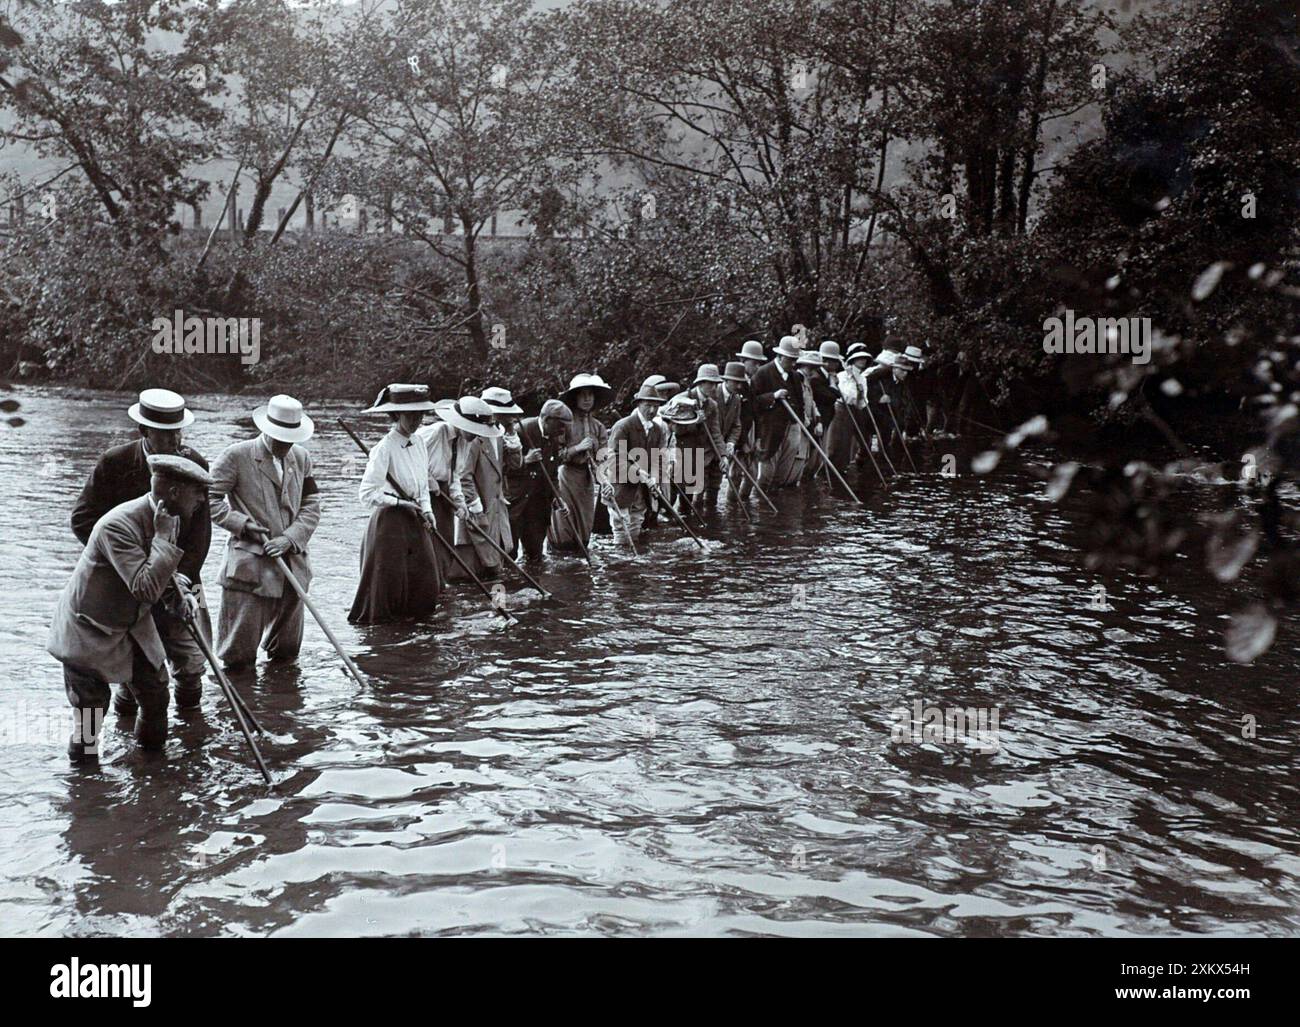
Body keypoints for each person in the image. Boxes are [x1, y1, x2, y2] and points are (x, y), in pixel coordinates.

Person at [49, 454, 212, 761]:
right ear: (175, 493)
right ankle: (86, 792)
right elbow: (144, 586)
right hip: (88, 629)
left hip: (130, 624)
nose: (203, 500)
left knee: (155, 694)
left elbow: (160, 576)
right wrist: (164, 540)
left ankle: (152, 772)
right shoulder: (118, 526)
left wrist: (180, 598)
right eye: (198, 492)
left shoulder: (167, 517)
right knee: (90, 716)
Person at [70, 388, 211, 712]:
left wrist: (183, 579)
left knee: (193, 660)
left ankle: (192, 735)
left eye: (178, 431)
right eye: (165, 434)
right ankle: (135, 745)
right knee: (137, 670)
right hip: (128, 584)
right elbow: (82, 520)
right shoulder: (114, 462)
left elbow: (201, 535)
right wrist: (123, 559)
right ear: (144, 432)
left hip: (183, 580)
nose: (174, 440)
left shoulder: (194, 464)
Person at [208, 395, 321, 669]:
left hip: (293, 565)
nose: (285, 444)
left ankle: (280, 708)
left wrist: (290, 538)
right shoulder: (236, 456)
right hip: (250, 568)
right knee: (238, 658)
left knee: (286, 656)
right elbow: (206, 500)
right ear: (266, 430)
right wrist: (241, 525)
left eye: (291, 438)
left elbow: (312, 504)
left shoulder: (301, 458)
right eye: (280, 438)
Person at [348, 384, 442, 625]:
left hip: (415, 517)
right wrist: (400, 502)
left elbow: (422, 484)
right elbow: (367, 493)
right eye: (410, 415)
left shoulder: (419, 442)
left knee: (427, 582)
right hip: (389, 523)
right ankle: (386, 638)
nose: (416, 421)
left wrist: (427, 510)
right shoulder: (384, 448)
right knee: (388, 586)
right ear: (396, 415)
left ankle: (416, 631)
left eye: (420, 415)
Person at [454, 394, 519, 579]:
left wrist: (512, 433)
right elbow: (464, 476)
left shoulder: (499, 436)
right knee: (477, 559)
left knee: (497, 556)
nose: (510, 417)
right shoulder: (473, 438)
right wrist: (476, 508)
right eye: (505, 414)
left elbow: (514, 465)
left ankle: (496, 597)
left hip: (497, 507)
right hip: (479, 508)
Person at [600, 380, 668, 548]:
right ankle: (620, 568)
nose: (652, 410)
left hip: (642, 492)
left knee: (635, 528)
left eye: (656, 406)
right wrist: (637, 473)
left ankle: (630, 569)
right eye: (648, 405)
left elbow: (658, 459)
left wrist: (654, 478)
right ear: (638, 404)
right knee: (621, 533)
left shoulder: (657, 430)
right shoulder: (623, 426)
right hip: (621, 489)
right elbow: (614, 459)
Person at [416, 398, 473, 581]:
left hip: (444, 494)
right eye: (473, 429)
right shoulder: (434, 432)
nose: (476, 435)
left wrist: (459, 501)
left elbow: (455, 474)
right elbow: (410, 459)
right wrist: (428, 479)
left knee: (445, 543)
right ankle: (428, 584)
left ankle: (441, 584)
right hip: (423, 494)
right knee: (428, 543)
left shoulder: (465, 441)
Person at [552, 373, 611, 551]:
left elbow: (603, 458)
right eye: (582, 394)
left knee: (585, 530)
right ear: (574, 397)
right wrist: (577, 448)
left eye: (590, 395)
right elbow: (556, 454)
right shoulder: (565, 424)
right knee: (564, 526)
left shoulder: (598, 427)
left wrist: (605, 480)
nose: (587, 399)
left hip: (586, 480)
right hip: (566, 477)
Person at [510, 399, 573, 560]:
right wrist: (526, 460)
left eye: (564, 427)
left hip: (538, 506)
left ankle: (534, 583)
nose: (562, 431)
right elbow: (501, 470)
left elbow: (552, 474)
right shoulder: (520, 432)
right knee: (509, 554)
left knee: (535, 555)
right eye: (560, 426)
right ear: (546, 420)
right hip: (517, 503)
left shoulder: (554, 437)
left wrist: (558, 498)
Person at [750, 335, 808, 489]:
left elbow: (800, 402)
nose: (793, 363)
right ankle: (760, 501)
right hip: (770, 428)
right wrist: (773, 396)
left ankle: (776, 497)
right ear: (781, 356)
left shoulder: (795, 376)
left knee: (784, 470)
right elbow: (753, 401)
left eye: (795, 360)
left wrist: (801, 422)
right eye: (790, 359)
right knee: (767, 468)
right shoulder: (763, 372)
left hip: (791, 426)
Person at [685, 363, 730, 509]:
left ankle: (709, 525)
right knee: (685, 496)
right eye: (711, 384)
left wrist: (723, 455)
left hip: (706, 453)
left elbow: (715, 432)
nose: (714, 387)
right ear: (701, 383)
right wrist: (694, 422)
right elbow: (676, 430)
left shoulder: (712, 405)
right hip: (686, 453)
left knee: (707, 492)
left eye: (716, 384)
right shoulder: (685, 399)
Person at [719, 361, 754, 503]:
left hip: (726, 445)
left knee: (714, 487)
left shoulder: (736, 399)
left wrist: (731, 443)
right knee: (699, 486)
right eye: (735, 382)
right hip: (708, 446)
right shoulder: (714, 394)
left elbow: (736, 425)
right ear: (726, 380)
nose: (739, 386)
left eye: (741, 383)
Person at [795, 347, 826, 481]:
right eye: (811, 368)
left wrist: (818, 421)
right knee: (797, 461)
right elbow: (797, 405)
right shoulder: (796, 379)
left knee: (806, 462)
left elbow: (812, 403)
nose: (813, 372)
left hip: (808, 427)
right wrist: (807, 423)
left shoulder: (807, 381)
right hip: (799, 427)